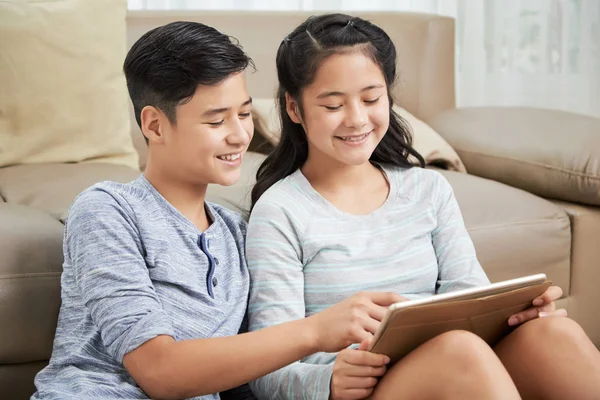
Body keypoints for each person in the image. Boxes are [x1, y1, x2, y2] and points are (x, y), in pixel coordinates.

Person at [30, 21, 405, 400]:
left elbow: (247, 372)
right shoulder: (108, 211)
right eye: (216, 120)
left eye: (243, 114)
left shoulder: (236, 233)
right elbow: (159, 370)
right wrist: (316, 331)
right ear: (155, 126)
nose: (240, 135)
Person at [246, 13, 600, 400]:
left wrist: (515, 317)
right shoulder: (280, 211)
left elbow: (470, 298)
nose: (357, 118)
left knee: (552, 332)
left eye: (371, 98)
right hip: (358, 388)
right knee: (459, 351)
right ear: (295, 110)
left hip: (450, 367)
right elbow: (265, 367)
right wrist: (326, 380)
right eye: (333, 106)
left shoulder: (427, 189)